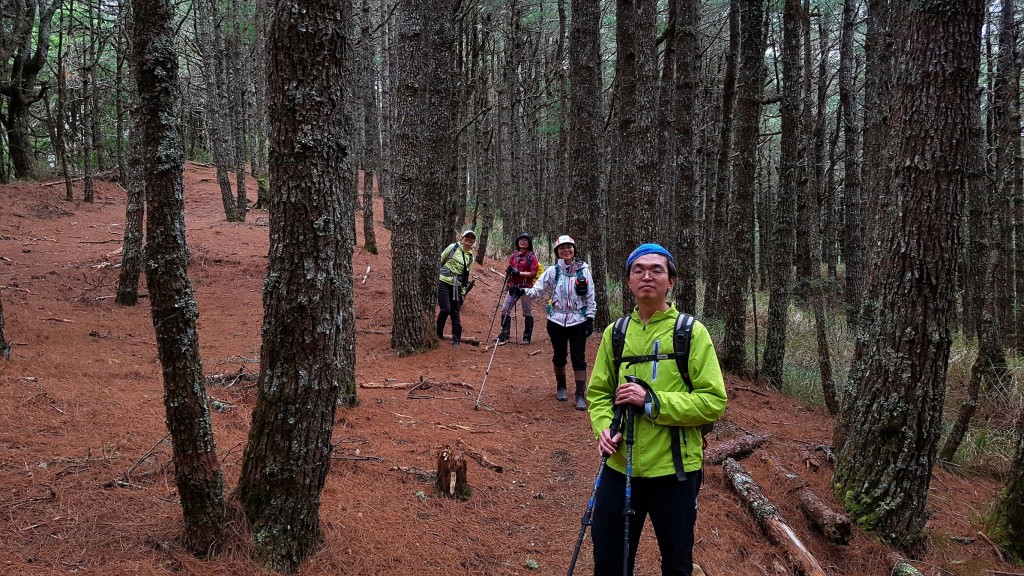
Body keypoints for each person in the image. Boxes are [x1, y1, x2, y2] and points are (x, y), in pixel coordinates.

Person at [586, 243, 727, 576]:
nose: (647, 276)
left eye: (656, 270)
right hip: (619, 466)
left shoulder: (691, 333)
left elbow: (713, 401)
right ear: (629, 281)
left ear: (671, 282)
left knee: (677, 566)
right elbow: (599, 393)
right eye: (639, 270)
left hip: (675, 472)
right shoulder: (615, 333)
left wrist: (653, 402)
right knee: (608, 562)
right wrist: (604, 428)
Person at [514, 234, 596, 409]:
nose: (566, 250)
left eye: (569, 247)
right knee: (559, 356)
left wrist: (590, 318)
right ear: (557, 252)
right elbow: (537, 290)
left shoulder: (584, 271)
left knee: (578, 357)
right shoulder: (552, 271)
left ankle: (580, 394)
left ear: (574, 250)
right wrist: (522, 291)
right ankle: (561, 386)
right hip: (556, 320)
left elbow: (590, 297)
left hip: (578, 321)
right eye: (562, 248)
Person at [498, 232, 540, 344]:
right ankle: (504, 335)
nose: (523, 242)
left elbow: (533, 274)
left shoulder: (532, 257)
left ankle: (526, 338)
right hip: (513, 286)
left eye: (525, 240)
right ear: (518, 242)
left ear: (529, 243)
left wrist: (519, 273)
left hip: (526, 288)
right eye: (521, 240)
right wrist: (509, 271)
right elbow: (511, 269)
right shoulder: (514, 256)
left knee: (527, 312)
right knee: (505, 310)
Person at [437, 230, 476, 347]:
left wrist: (463, 293)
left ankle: (456, 339)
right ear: (462, 238)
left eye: (471, 238)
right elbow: (440, 259)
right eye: (467, 236)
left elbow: (467, 276)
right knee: (445, 309)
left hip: (456, 286)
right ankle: (438, 334)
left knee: (455, 311)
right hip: (443, 281)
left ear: (473, 241)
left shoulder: (470, 257)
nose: (468, 239)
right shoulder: (452, 247)